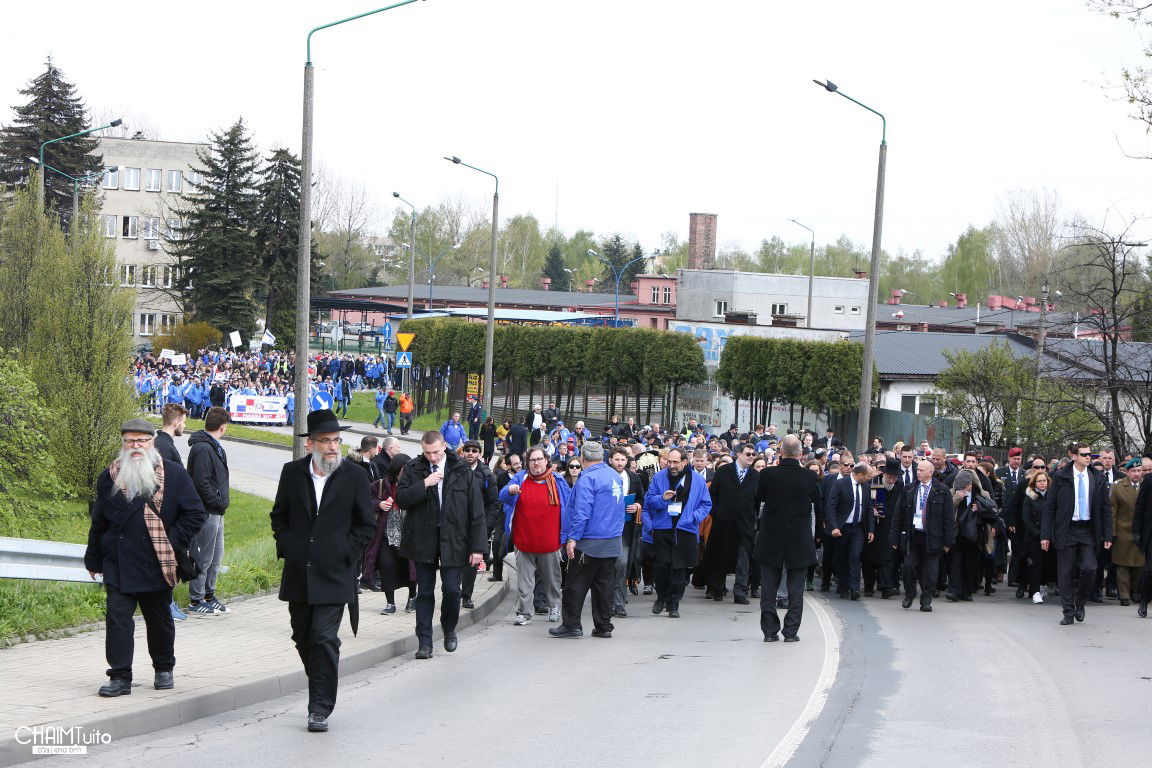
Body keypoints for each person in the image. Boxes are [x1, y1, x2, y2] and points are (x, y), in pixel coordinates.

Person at [270, 409, 375, 732]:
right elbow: (279, 516)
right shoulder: (292, 473)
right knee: (303, 636)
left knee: (324, 638)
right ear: (310, 445)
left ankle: (320, 707)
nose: (332, 447)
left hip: (335, 574)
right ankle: (320, 678)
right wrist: (289, 545)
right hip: (300, 573)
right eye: (325, 441)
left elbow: (366, 525)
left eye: (336, 440)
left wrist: (345, 551)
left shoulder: (354, 476)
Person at [85, 418, 207, 697]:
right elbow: (99, 521)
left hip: (158, 562)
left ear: (152, 442)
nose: (135, 446)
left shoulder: (174, 474)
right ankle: (119, 677)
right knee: (117, 620)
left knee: (160, 619)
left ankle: (163, 668)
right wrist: (93, 559)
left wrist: (170, 541)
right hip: (118, 560)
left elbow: (195, 513)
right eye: (130, 441)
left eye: (141, 441)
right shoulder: (110, 476)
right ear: (123, 444)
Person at [395, 431, 486, 659]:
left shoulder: (462, 469)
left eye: (436, 452)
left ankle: (449, 629)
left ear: (444, 446)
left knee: (452, 591)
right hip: (423, 539)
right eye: (427, 453)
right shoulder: (414, 468)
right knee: (424, 593)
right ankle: (424, 642)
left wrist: (478, 548)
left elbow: (476, 511)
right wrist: (424, 484)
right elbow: (401, 499)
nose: (432, 458)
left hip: (454, 539)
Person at [549, 441, 624, 639]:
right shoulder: (615, 476)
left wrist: (572, 538)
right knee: (604, 586)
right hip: (611, 541)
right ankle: (603, 626)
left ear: (582, 458)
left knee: (575, 585)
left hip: (589, 541)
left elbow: (581, 512)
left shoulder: (587, 479)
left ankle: (572, 624)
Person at [755, 435, 820, 641]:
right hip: (799, 539)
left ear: (780, 452)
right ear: (801, 454)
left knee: (768, 588)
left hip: (771, 537)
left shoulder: (767, 474)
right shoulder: (809, 477)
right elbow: (818, 504)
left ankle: (769, 632)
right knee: (795, 590)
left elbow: (758, 500)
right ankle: (791, 632)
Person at [1042, 442, 1113, 626]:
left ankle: (1080, 602)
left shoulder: (1097, 477)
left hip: (1089, 530)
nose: (1088, 457)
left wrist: (1107, 534)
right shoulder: (1061, 477)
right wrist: (1045, 535)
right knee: (1065, 573)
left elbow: (1106, 508)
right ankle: (1068, 611)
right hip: (1067, 529)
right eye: (1084, 454)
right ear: (1074, 456)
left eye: (1090, 454)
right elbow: (1050, 507)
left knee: (1090, 568)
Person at [501, 445, 571, 625]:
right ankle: (524, 612)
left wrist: (568, 537)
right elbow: (502, 496)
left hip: (550, 542)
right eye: (532, 460)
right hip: (524, 541)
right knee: (525, 582)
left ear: (546, 461)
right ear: (528, 463)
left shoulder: (557, 481)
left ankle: (554, 605)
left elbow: (569, 507)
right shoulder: (520, 478)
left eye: (540, 459)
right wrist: (510, 491)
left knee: (552, 579)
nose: (536, 463)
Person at [642, 447, 713, 618]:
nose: (671, 465)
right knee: (662, 568)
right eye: (669, 461)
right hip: (663, 529)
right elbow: (648, 502)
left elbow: (706, 504)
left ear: (684, 462)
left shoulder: (696, 480)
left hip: (685, 529)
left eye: (675, 462)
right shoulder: (659, 477)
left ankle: (674, 602)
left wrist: (693, 517)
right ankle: (661, 597)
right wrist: (662, 499)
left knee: (680, 571)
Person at [890, 459, 955, 612]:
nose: (918, 472)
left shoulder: (942, 490)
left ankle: (926, 599)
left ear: (930, 472)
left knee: (930, 571)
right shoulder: (909, 489)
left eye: (921, 470)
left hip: (933, 536)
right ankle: (909, 593)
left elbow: (948, 518)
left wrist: (949, 541)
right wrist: (894, 537)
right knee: (908, 567)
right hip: (913, 535)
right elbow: (898, 515)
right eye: (917, 470)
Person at [185, 406, 232, 615]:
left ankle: (209, 594)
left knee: (215, 557)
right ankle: (196, 600)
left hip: (217, 511)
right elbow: (201, 482)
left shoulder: (214, 446)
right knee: (203, 557)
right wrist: (218, 501)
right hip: (207, 511)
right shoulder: (203, 448)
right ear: (223, 426)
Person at [702, 442, 760, 604]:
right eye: (748, 454)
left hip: (745, 524)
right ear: (739, 454)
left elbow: (757, 500)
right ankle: (717, 589)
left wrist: (754, 518)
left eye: (753, 454)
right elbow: (712, 495)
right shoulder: (723, 472)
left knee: (743, 559)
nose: (751, 457)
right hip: (723, 523)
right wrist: (717, 513)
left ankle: (740, 592)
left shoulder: (755, 475)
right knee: (720, 556)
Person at [154, 403, 189, 621]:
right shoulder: (164, 447)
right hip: (166, 516)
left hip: (169, 515)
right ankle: (166, 603)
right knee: (168, 560)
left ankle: (168, 601)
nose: (184, 426)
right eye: (183, 421)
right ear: (176, 421)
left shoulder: (164, 443)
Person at [459, 440, 503, 608]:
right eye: (468, 450)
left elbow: (494, 504)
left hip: (478, 525)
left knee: (472, 562)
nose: (470, 453)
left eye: (474, 450)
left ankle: (466, 595)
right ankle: (453, 593)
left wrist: (486, 528)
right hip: (456, 525)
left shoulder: (486, 475)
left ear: (479, 454)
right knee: (455, 561)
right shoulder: (456, 471)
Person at [825, 462, 876, 600]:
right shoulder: (841, 484)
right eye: (868, 476)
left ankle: (854, 589)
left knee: (855, 556)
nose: (870, 478)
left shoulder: (866, 487)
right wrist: (834, 526)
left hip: (858, 528)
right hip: (842, 527)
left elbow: (869, 509)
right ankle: (843, 587)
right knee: (841, 557)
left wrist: (871, 529)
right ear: (860, 474)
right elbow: (831, 506)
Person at [609, 446, 644, 618]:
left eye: (623, 460)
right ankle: (607, 602)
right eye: (617, 459)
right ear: (610, 460)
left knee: (622, 564)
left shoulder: (634, 478)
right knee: (608, 566)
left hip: (626, 529)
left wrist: (637, 506)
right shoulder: (605, 477)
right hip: (606, 529)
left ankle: (619, 603)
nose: (620, 463)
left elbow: (641, 498)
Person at [862, 457, 901, 599]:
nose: (891, 480)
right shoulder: (873, 484)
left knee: (888, 558)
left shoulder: (899, 487)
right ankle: (868, 587)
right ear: (884, 474)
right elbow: (867, 505)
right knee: (869, 558)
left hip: (890, 529)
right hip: (873, 527)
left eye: (894, 478)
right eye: (889, 477)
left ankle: (886, 587)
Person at [1110, 459, 1144, 606]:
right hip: (1123, 530)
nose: (1137, 474)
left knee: (1139, 564)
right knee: (1122, 565)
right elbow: (1113, 511)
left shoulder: (1146, 485)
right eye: (1133, 471)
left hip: (1142, 531)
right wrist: (1111, 533)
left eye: (1139, 471)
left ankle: (1134, 591)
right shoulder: (1118, 487)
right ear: (1127, 472)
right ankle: (1124, 595)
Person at [1019, 471, 1051, 604]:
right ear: (1034, 483)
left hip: (1050, 537)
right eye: (1039, 481)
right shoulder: (1030, 497)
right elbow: (1026, 519)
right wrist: (1038, 534)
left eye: (1044, 480)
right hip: (1034, 538)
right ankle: (1035, 591)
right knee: (1035, 564)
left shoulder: (1052, 496)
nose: (1042, 483)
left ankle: (1043, 586)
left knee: (1047, 564)